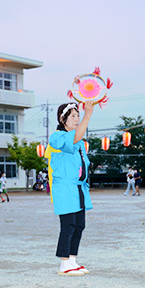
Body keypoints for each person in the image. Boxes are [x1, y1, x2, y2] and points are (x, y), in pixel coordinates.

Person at [45, 102, 94, 276]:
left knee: (79, 225)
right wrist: (88, 115)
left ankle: (72, 260)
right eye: (73, 116)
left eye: (78, 115)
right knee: (68, 225)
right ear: (62, 119)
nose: (77, 118)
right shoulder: (57, 136)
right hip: (65, 188)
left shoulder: (79, 140)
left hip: (78, 189)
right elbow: (72, 140)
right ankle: (64, 263)